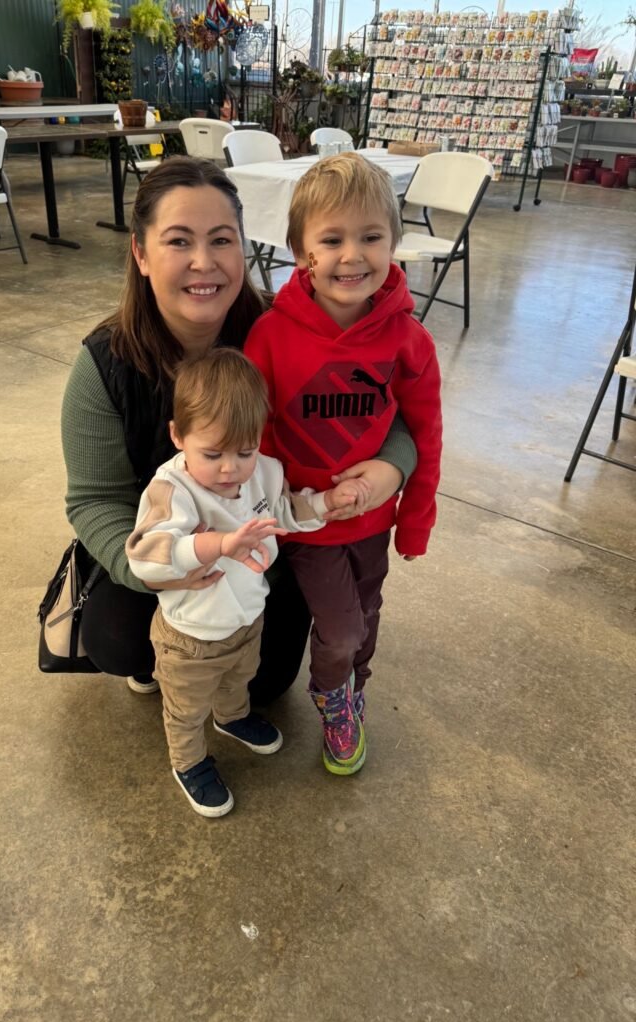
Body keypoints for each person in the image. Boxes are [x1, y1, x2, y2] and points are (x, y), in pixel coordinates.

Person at [60, 156, 417, 705]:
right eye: (179, 241)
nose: (204, 262)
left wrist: (391, 466)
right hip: (169, 548)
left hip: (263, 546)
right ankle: (157, 649)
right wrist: (156, 572)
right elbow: (94, 499)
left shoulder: (287, 333)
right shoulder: (105, 364)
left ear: (243, 246)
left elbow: (383, 410)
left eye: (222, 240)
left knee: (269, 684)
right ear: (141, 253)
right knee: (117, 638)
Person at [245, 151, 443, 775]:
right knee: (342, 629)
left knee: (367, 617)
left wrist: (413, 521)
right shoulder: (271, 337)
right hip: (308, 527)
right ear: (302, 250)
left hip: (374, 523)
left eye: (370, 237)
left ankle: (354, 691)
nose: (351, 255)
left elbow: (425, 432)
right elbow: (256, 434)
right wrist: (283, 512)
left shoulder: (408, 339)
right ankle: (332, 699)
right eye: (331, 240)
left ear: (394, 242)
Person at [126, 348, 370, 816]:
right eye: (212, 453)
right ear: (178, 436)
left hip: (245, 619)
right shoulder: (173, 489)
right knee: (186, 709)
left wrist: (323, 503)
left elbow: (282, 513)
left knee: (240, 679)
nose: (230, 468)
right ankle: (189, 760)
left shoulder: (264, 472)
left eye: (245, 450)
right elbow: (146, 555)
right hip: (190, 637)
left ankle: (233, 719)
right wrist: (217, 544)